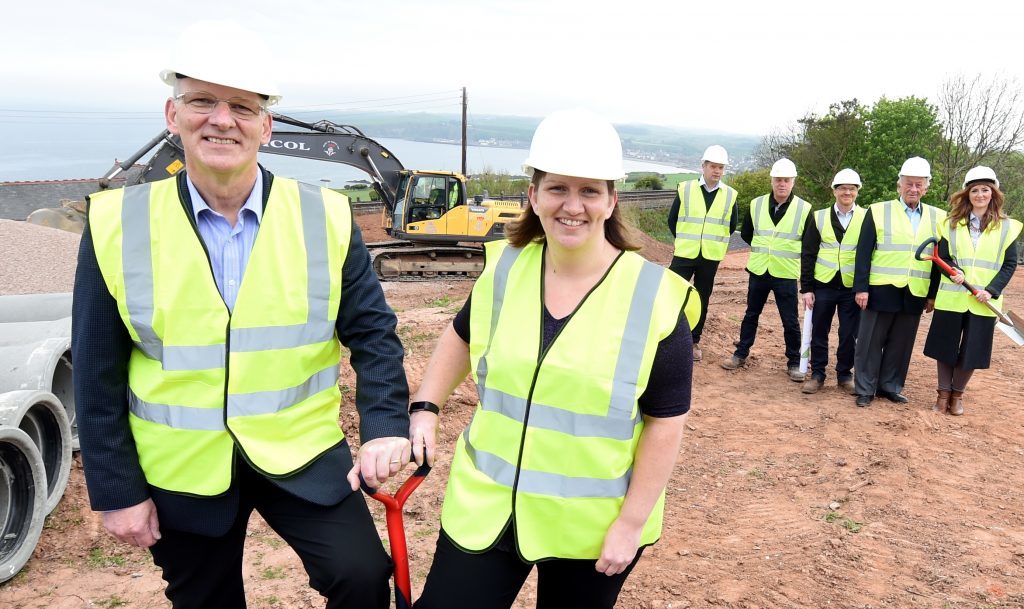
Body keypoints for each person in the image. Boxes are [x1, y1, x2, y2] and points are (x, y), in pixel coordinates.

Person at [71, 21, 411, 609]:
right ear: (172, 115)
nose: (221, 119)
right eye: (202, 101)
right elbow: (96, 370)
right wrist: (116, 491)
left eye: (241, 107)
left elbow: (375, 336)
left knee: (359, 578)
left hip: (299, 452)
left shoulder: (326, 218)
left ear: (266, 125)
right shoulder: (115, 222)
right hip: (183, 467)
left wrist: (384, 425)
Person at [406, 109, 701, 609]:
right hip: (487, 508)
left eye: (589, 191)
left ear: (611, 200)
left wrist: (630, 524)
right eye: (558, 188)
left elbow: (665, 424)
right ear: (534, 195)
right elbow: (460, 334)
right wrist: (426, 407)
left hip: (590, 526)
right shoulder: (505, 269)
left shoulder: (654, 298)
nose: (573, 205)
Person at [923, 166, 1020, 415]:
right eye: (974, 190)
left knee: (972, 349)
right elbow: (942, 257)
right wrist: (954, 271)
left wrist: (991, 290)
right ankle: (942, 395)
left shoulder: (1008, 227)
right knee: (945, 347)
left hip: (983, 300)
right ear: (967, 194)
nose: (980, 194)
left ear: (993, 193)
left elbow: (1009, 264)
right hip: (953, 296)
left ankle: (957, 396)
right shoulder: (950, 224)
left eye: (985, 190)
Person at [852, 157, 946, 407]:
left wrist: (932, 294)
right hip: (880, 287)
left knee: (901, 344)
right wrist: (861, 288)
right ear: (899, 185)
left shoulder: (939, 217)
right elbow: (863, 252)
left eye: (919, 184)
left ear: (926, 187)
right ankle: (865, 388)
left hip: (915, 290)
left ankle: (890, 386)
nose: (913, 189)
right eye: (908, 184)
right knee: (870, 342)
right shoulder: (878, 210)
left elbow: (939, 259)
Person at [722, 158, 811, 382]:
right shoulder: (756, 204)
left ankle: (793, 362)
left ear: (793, 182)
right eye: (778, 179)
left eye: (786, 180)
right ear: (772, 181)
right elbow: (747, 234)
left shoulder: (804, 209)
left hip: (786, 273)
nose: (782, 184)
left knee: (789, 320)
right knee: (751, 314)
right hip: (759, 270)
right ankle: (740, 353)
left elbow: (809, 244)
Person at [667, 144, 739, 361]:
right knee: (672, 294)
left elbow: (731, 225)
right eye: (713, 166)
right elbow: (672, 220)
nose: (717, 171)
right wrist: (685, 239)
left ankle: (693, 341)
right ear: (703, 166)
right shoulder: (686, 189)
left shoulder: (730, 195)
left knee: (702, 299)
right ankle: (667, 337)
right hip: (685, 253)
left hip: (710, 256)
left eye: (720, 167)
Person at [799, 169, 866, 394]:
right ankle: (818, 374)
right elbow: (808, 253)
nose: (847, 192)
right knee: (819, 330)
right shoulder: (818, 217)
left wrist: (863, 287)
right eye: (842, 188)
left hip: (851, 287)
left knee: (849, 333)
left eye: (852, 188)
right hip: (823, 285)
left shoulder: (866, 218)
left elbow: (869, 255)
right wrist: (807, 288)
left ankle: (844, 374)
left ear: (857, 191)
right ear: (834, 191)